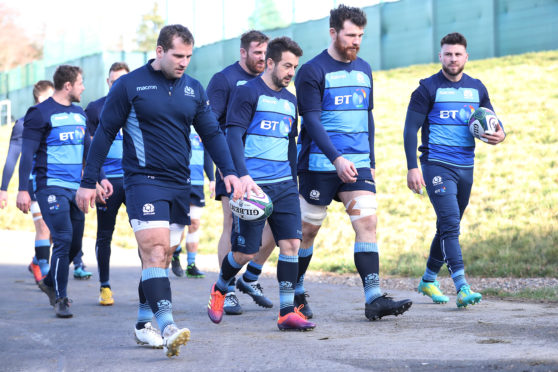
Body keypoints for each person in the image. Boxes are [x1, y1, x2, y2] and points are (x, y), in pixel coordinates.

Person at [76, 25, 241, 358]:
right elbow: (105, 132)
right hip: (142, 180)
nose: (183, 62)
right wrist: (88, 181)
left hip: (179, 184)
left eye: (188, 57)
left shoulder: (194, 89)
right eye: (177, 56)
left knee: (163, 257)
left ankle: (142, 323)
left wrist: (232, 172)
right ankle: (167, 326)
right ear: (160, 51)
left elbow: (211, 134)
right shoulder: (129, 85)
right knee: (154, 250)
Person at [294, 5, 412, 321]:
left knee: (367, 224)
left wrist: (370, 160)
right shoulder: (312, 71)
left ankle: (373, 297)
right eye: (350, 35)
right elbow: (312, 122)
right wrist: (336, 158)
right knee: (306, 232)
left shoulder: (365, 69)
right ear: (333, 32)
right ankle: (295, 290)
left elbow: (367, 116)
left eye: (360, 35)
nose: (355, 41)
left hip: (357, 165)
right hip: (319, 165)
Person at [207, 36, 315, 331]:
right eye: (287, 66)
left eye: (295, 66)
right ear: (270, 63)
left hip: (284, 185)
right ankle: (220, 288)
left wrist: (293, 181)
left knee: (291, 243)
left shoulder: (291, 101)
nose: (292, 72)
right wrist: (241, 176)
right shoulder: (247, 92)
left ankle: (286, 312)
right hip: (253, 186)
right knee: (245, 252)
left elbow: (290, 144)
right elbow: (232, 135)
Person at [404, 32, 506, 307]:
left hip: (466, 167)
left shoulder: (477, 88)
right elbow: (410, 129)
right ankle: (461, 286)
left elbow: (493, 122)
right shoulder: (427, 88)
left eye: (457, 54)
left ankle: (427, 280)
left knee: (449, 225)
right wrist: (413, 167)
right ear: (441, 56)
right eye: (448, 54)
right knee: (450, 224)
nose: (452, 59)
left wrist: (501, 135)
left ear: (466, 57)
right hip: (436, 164)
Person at [16, 65, 107, 318]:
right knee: (64, 238)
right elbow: (27, 155)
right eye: (80, 83)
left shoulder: (79, 114)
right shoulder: (39, 113)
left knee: (75, 244)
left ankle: (48, 281)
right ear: (68, 85)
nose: (83, 87)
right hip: (49, 187)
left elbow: (88, 148)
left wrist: (99, 178)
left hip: (76, 189)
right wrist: (23, 189)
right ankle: (61, 298)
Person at [206, 30, 274, 314]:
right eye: (257, 53)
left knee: (274, 224)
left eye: (265, 53)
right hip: (232, 166)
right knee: (232, 225)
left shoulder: (267, 81)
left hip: (266, 166)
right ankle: (227, 288)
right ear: (243, 53)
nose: (262, 58)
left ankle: (251, 276)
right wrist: (222, 168)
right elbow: (209, 126)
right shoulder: (224, 80)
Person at [84, 61, 130, 305]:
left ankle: (151, 285)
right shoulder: (95, 108)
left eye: (122, 82)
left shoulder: (139, 106)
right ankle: (105, 286)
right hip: (108, 182)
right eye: (114, 82)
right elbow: (91, 147)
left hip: (135, 181)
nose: (117, 86)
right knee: (105, 235)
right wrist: (98, 179)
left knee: (146, 233)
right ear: (108, 82)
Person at [1, 80, 53, 283]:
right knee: (43, 227)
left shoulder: (56, 120)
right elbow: (12, 157)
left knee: (56, 231)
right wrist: (3, 188)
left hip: (56, 183)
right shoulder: (23, 124)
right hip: (34, 183)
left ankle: (36, 260)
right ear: (40, 98)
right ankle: (47, 275)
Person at [170, 126, 214, 279]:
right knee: (179, 224)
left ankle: (191, 264)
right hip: (178, 181)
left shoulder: (201, 123)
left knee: (194, 223)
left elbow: (207, 154)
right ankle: (175, 254)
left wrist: (212, 179)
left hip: (197, 183)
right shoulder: (176, 121)